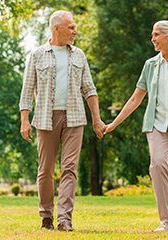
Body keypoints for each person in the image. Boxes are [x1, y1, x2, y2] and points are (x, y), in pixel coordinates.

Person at [104, 20, 168, 231]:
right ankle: (165, 220)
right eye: (153, 34)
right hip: (157, 123)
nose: (153, 38)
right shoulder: (150, 65)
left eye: (156, 34)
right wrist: (114, 123)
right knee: (158, 164)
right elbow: (135, 99)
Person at [19, 10, 106, 232]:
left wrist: (96, 120)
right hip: (46, 118)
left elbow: (89, 89)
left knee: (69, 168)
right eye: (71, 28)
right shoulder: (37, 55)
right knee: (45, 170)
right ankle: (46, 216)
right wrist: (24, 120)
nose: (75, 32)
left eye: (75, 27)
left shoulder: (79, 55)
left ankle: (64, 219)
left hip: (75, 118)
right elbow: (27, 90)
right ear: (56, 28)